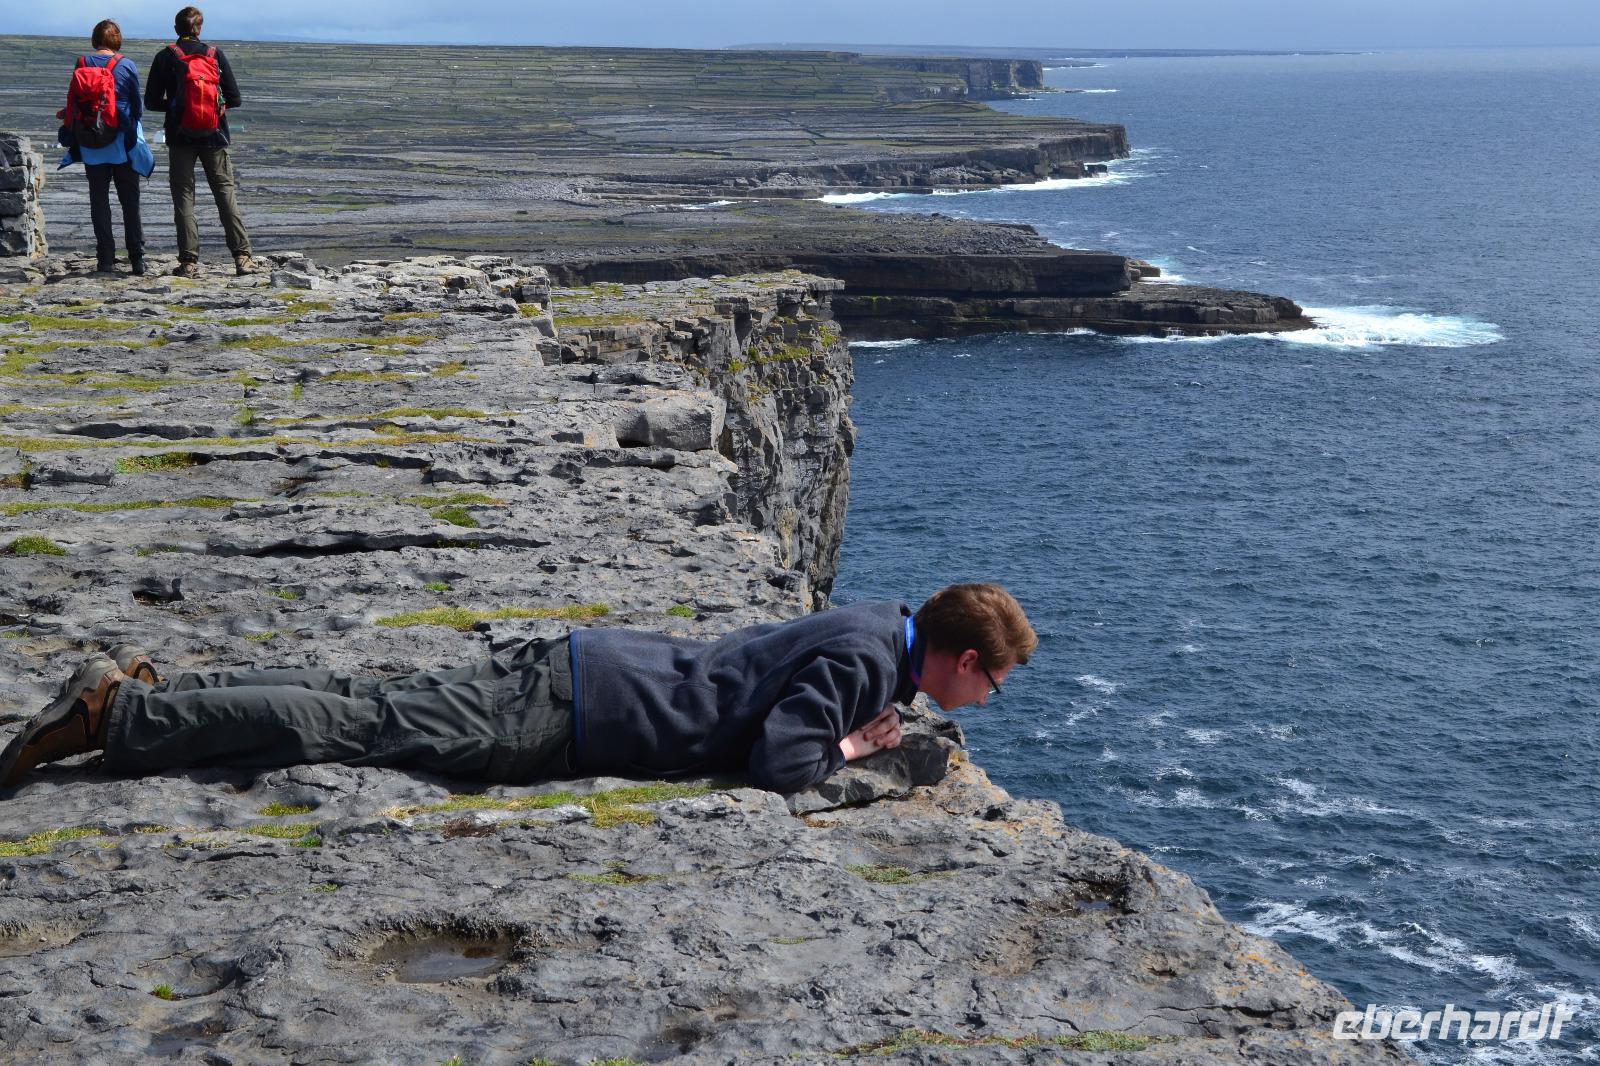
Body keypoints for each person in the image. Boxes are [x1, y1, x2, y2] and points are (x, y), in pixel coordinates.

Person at [0, 584, 1036, 794]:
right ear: (958, 659)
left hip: (592, 672)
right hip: (573, 712)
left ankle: (172, 691)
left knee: (366, 695)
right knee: (355, 725)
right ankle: (120, 714)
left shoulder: (868, 626)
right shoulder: (868, 666)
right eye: (992, 681)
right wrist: (866, 749)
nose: (984, 700)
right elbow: (787, 762)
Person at [144, 5, 256, 278]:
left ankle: (189, 262)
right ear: (200, 28)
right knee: (224, 193)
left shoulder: (166, 56)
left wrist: (177, 107)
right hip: (215, 135)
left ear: (176, 29)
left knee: (183, 196)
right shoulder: (215, 55)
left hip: (180, 136)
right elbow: (235, 98)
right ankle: (242, 257)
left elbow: (151, 102)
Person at [64, 20, 147, 275]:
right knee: (129, 201)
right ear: (117, 39)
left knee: (99, 202)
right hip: (123, 142)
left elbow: (73, 104)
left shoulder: (82, 64)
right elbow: (138, 107)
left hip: (91, 142)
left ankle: (105, 259)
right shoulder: (126, 65)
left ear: (94, 39)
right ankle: (137, 258)